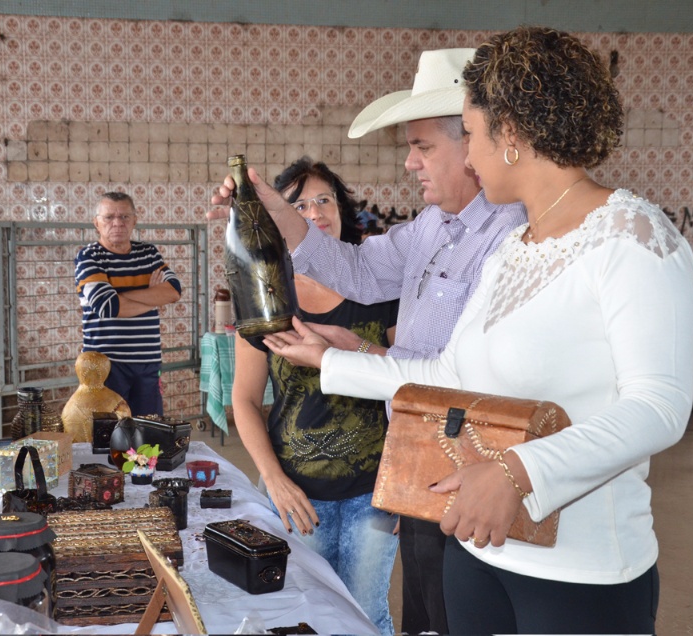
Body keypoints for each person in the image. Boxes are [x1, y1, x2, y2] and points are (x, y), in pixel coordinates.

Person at [263, 27, 693, 634]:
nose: (465, 155)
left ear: (511, 133)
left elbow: (659, 407)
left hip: (581, 570)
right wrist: (330, 363)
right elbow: (447, 376)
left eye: (467, 134)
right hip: (480, 547)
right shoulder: (515, 249)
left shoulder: (633, 238)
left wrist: (520, 473)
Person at [210, 48, 526, 635]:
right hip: (420, 470)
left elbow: (465, 374)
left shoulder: (511, 235)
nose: (409, 163)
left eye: (423, 146)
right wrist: (276, 212)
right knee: (423, 615)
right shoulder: (432, 226)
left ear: (474, 142)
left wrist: (343, 356)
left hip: (477, 472)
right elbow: (355, 270)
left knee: (456, 614)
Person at [231, 158, 399, 635]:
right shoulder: (265, 295)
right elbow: (244, 399)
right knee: (305, 615)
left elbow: (412, 379)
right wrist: (272, 479)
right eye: (298, 203)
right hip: (298, 493)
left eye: (324, 199)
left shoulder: (379, 287)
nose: (315, 211)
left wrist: (410, 477)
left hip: (377, 488)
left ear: (341, 208)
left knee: (367, 612)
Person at [74, 192, 182, 416]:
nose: (117, 223)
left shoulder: (149, 253)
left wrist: (123, 298)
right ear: (96, 223)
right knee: (108, 436)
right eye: (109, 217)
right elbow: (107, 307)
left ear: (134, 220)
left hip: (148, 362)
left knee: (148, 433)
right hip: (104, 366)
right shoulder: (89, 257)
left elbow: (173, 291)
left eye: (124, 217)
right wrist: (152, 296)